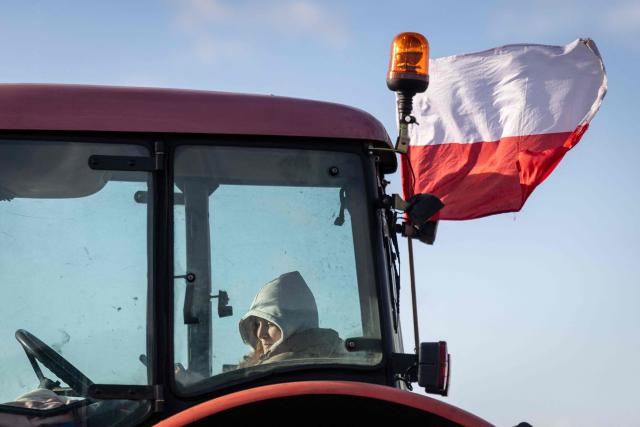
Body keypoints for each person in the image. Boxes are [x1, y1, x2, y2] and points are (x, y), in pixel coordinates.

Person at [238, 271, 346, 367]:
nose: (260, 334)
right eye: (257, 324)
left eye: (270, 324)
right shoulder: (348, 359)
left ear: (294, 324)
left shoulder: (271, 372)